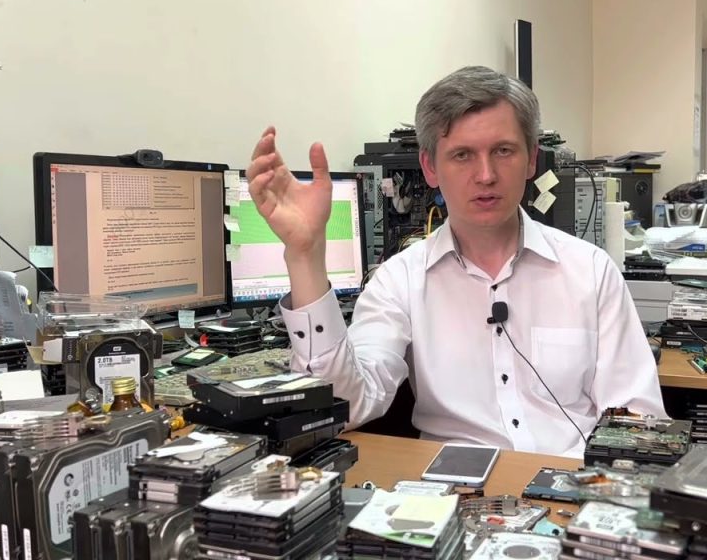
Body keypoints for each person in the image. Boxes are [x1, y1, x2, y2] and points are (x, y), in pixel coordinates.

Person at [245, 65, 664, 457]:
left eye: (503, 150)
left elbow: (639, 422)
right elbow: (347, 404)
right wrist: (305, 256)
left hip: (574, 484)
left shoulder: (591, 271)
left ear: (532, 159)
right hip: (452, 492)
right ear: (430, 167)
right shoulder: (400, 280)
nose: (485, 175)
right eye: (462, 155)